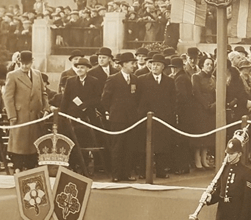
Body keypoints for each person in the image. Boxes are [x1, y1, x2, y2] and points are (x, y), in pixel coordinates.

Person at [2, 50, 50, 172]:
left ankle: (31, 166)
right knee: (19, 143)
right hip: (20, 115)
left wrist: (46, 107)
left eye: (27, 63)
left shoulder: (37, 74)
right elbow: (7, 97)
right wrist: (11, 115)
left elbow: (43, 93)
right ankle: (17, 166)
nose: (24, 66)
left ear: (32, 62)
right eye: (22, 63)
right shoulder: (12, 75)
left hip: (35, 115)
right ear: (19, 62)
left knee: (33, 143)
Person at [101, 51, 141, 182]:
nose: (134, 65)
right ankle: (116, 174)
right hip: (117, 119)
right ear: (124, 64)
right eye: (132, 63)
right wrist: (111, 112)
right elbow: (105, 99)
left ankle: (127, 173)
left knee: (129, 146)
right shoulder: (113, 79)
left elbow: (137, 99)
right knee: (117, 147)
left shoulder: (135, 79)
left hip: (131, 119)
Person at [59, 56, 103, 174]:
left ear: (87, 69)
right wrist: (63, 116)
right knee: (73, 141)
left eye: (82, 68)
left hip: (88, 117)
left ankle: (87, 165)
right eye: (77, 67)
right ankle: (74, 165)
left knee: (86, 142)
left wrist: (85, 105)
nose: (79, 70)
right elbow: (66, 99)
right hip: (73, 117)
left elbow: (98, 99)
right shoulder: (71, 81)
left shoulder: (94, 81)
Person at [136, 54, 176, 179]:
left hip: (163, 118)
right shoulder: (142, 79)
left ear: (163, 67)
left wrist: (170, 115)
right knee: (144, 146)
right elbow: (137, 99)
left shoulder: (169, 81)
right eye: (153, 64)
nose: (154, 67)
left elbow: (173, 99)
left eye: (157, 65)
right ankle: (143, 172)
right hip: (145, 117)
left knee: (162, 145)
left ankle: (161, 171)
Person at [191, 55, 216, 170]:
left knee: (208, 135)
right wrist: (206, 105)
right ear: (202, 65)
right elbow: (196, 92)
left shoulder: (213, 78)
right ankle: (197, 160)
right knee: (199, 136)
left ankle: (204, 159)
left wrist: (213, 105)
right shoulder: (196, 77)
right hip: (199, 108)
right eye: (207, 64)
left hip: (211, 109)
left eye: (211, 64)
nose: (209, 66)